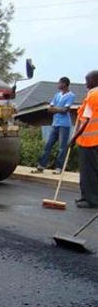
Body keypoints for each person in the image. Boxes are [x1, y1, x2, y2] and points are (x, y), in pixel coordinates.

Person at [32, 77, 75, 174]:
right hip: (55, 123)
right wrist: (59, 109)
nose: (58, 85)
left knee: (62, 147)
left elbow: (66, 110)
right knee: (48, 145)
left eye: (59, 83)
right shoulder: (57, 95)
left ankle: (59, 168)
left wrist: (56, 109)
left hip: (64, 125)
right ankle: (41, 166)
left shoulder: (71, 95)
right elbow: (49, 109)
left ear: (64, 84)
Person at [69, 70, 98, 208]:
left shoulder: (93, 95)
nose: (86, 83)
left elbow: (86, 120)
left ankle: (90, 199)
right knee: (93, 170)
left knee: (88, 172)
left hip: (90, 141)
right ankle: (86, 196)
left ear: (95, 80)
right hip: (94, 140)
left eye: (88, 80)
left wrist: (74, 137)